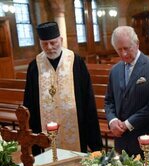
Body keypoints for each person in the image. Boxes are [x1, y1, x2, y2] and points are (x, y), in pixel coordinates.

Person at [23, 21, 102, 156]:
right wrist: (32, 139)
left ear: (61, 40)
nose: (49, 47)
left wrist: (95, 144)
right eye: (44, 44)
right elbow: (29, 103)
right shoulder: (35, 66)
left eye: (53, 43)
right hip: (45, 131)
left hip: (76, 127)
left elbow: (87, 99)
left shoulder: (75, 61)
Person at [104, 26, 149, 161]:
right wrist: (112, 120)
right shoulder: (115, 70)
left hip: (146, 140)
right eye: (119, 50)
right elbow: (109, 101)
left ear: (136, 44)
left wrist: (127, 124)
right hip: (122, 141)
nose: (123, 53)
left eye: (127, 48)